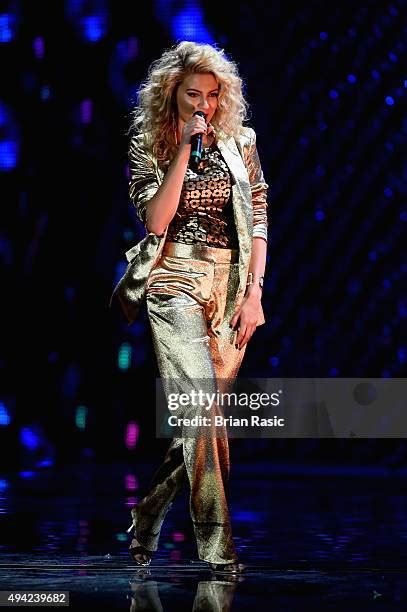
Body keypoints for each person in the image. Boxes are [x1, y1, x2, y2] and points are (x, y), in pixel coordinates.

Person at [113, 40, 269, 574]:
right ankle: (218, 547)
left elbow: (258, 216)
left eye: (212, 96)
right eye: (192, 95)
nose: (204, 105)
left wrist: (254, 293)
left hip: (230, 287)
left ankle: (148, 514)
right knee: (201, 414)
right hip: (173, 280)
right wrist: (183, 149)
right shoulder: (148, 146)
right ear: (171, 94)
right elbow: (156, 220)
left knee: (203, 422)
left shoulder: (241, 141)